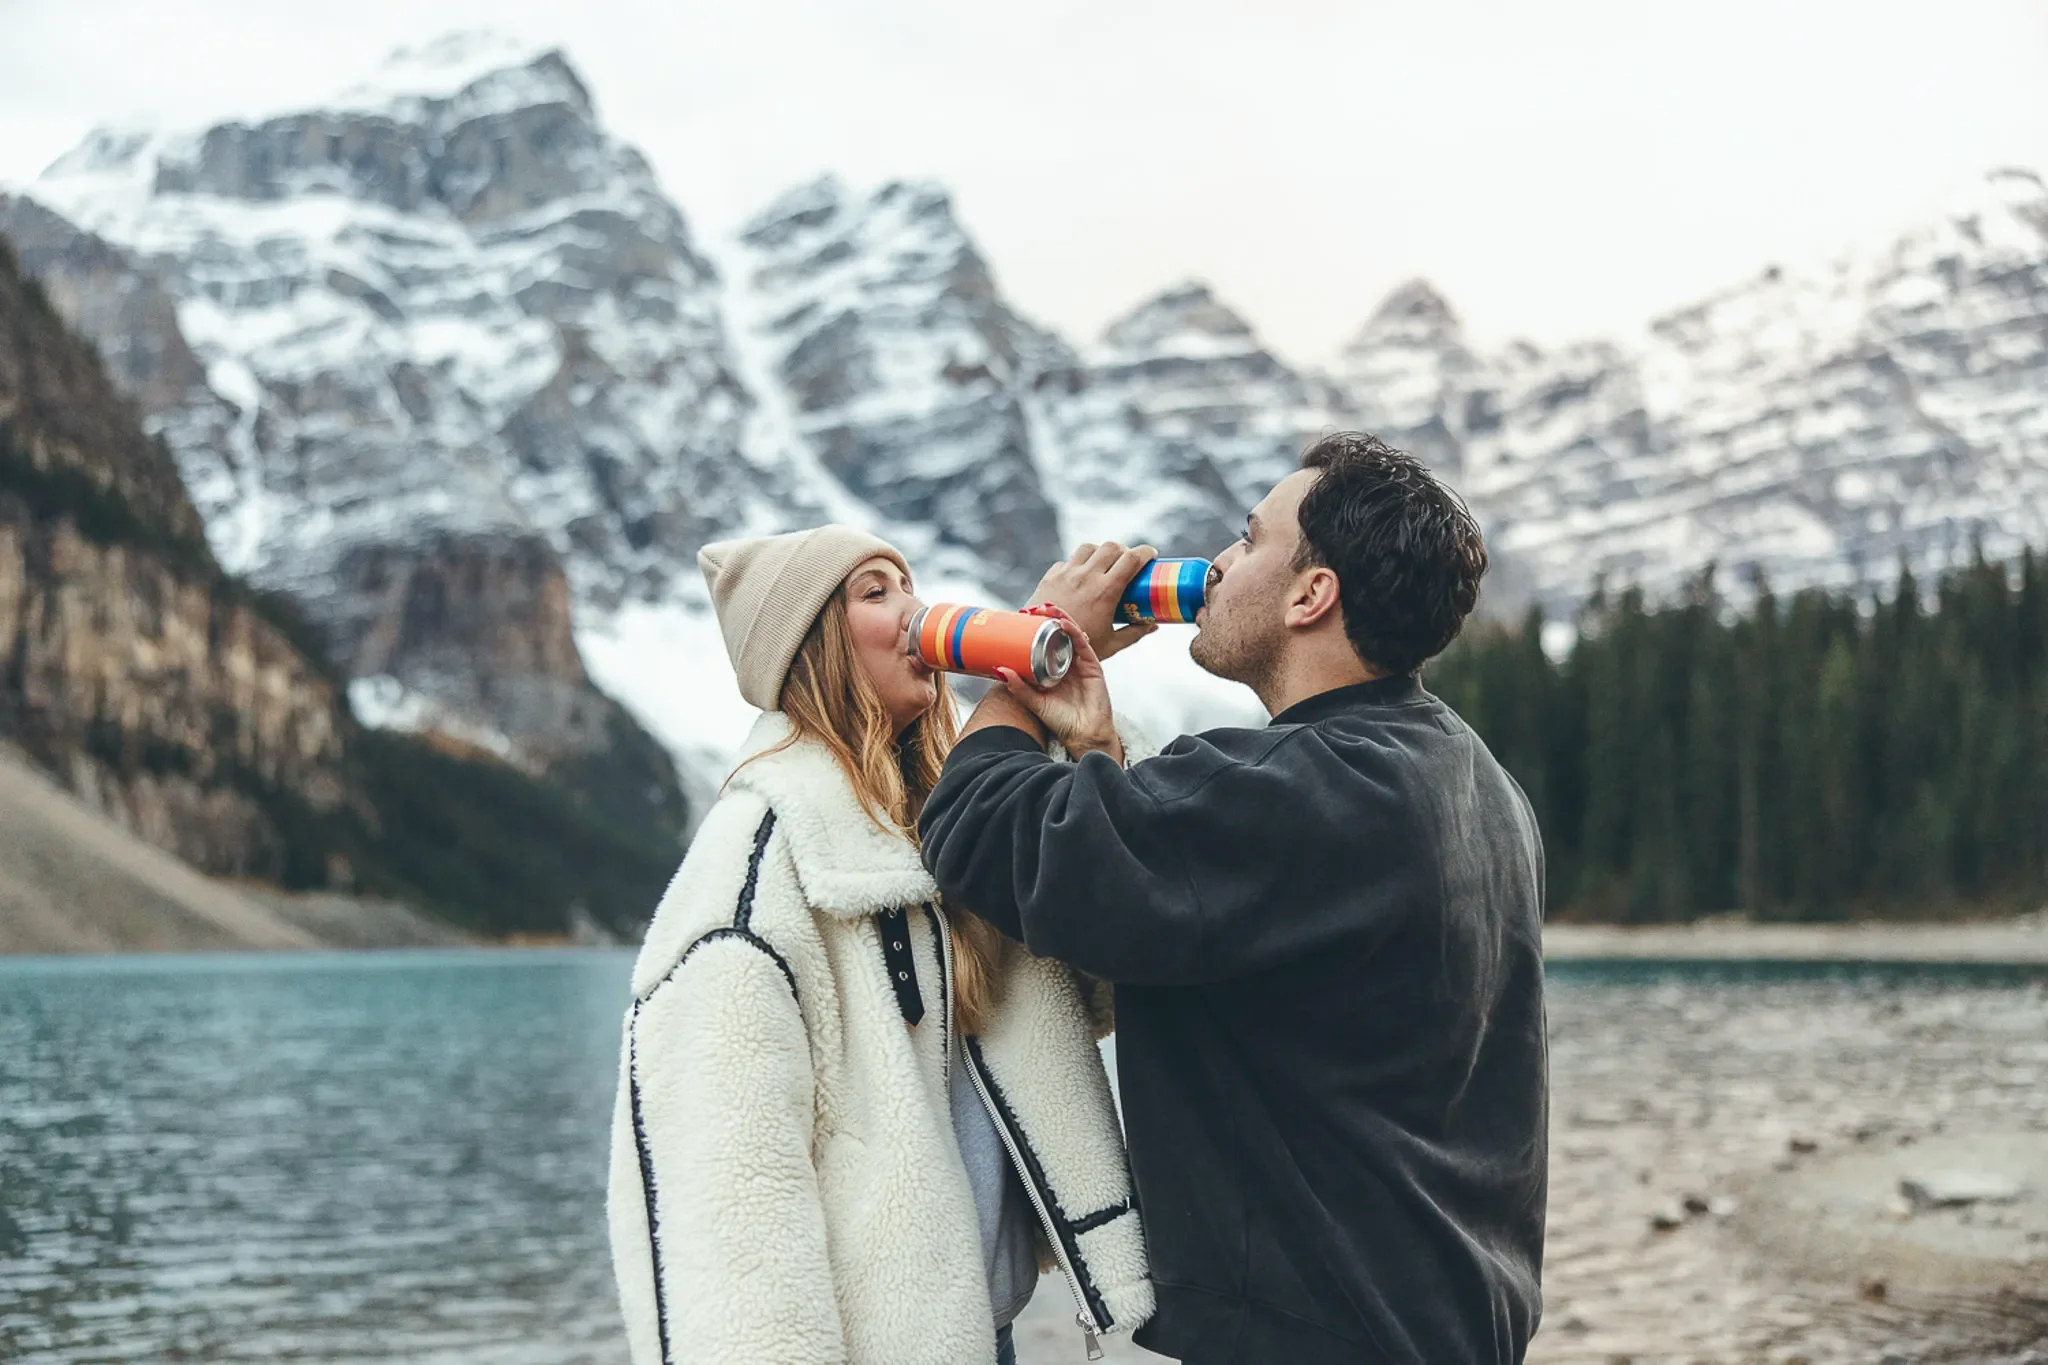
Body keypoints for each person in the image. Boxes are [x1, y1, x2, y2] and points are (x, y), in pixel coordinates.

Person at [918, 433, 1549, 1364]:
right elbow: (1157, 921)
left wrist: (1040, 644)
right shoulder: (1474, 779)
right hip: (1449, 1318)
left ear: (1310, 594)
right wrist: (1096, 749)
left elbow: (972, 822)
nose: (1214, 564)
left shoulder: (1302, 790)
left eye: (1248, 540)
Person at [607, 525, 1154, 1365]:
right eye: (876, 592)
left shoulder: (936, 832)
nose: (916, 612)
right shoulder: (751, 886)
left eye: (910, 585)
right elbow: (734, 1231)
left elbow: (1109, 978)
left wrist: (1087, 745)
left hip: (989, 1333)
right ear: (812, 644)